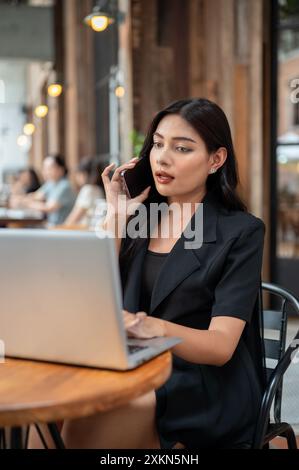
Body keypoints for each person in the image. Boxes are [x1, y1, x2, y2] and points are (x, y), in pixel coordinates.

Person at [30, 98, 265, 449]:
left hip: (201, 380)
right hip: (131, 362)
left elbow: (221, 347)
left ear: (216, 160)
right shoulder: (141, 219)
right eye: (157, 144)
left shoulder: (241, 232)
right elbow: (94, 298)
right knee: (45, 405)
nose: (162, 158)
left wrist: (156, 329)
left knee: (102, 409)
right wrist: (116, 218)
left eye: (182, 148)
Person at [19, 155, 76, 226]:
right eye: (45, 168)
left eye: (50, 168)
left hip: (61, 228)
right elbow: (36, 196)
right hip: (50, 225)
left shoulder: (65, 186)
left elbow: (49, 208)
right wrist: (22, 199)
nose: (46, 171)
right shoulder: (50, 184)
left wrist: (27, 203)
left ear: (61, 169)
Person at [64, 156, 105, 227]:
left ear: (85, 174)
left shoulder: (88, 189)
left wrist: (61, 228)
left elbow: (73, 218)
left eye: (78, 174)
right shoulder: (100, 189)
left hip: (86, 232)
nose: (76, 177)